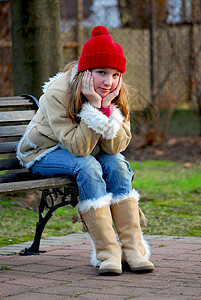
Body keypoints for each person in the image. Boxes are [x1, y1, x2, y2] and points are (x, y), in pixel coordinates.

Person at [17, 25, 154, 276]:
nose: (108, 81)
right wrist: (93, 108)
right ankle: (108, 253)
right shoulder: (58, 92)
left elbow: (115, 147)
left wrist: (106, 109)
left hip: (83, 151)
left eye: (115, 74)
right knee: (87, 165)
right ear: (85, 71)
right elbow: (79, 149)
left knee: (117, 165)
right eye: (101, 72)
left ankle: (133, 250)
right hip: (43, 151)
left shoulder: (116, 93)